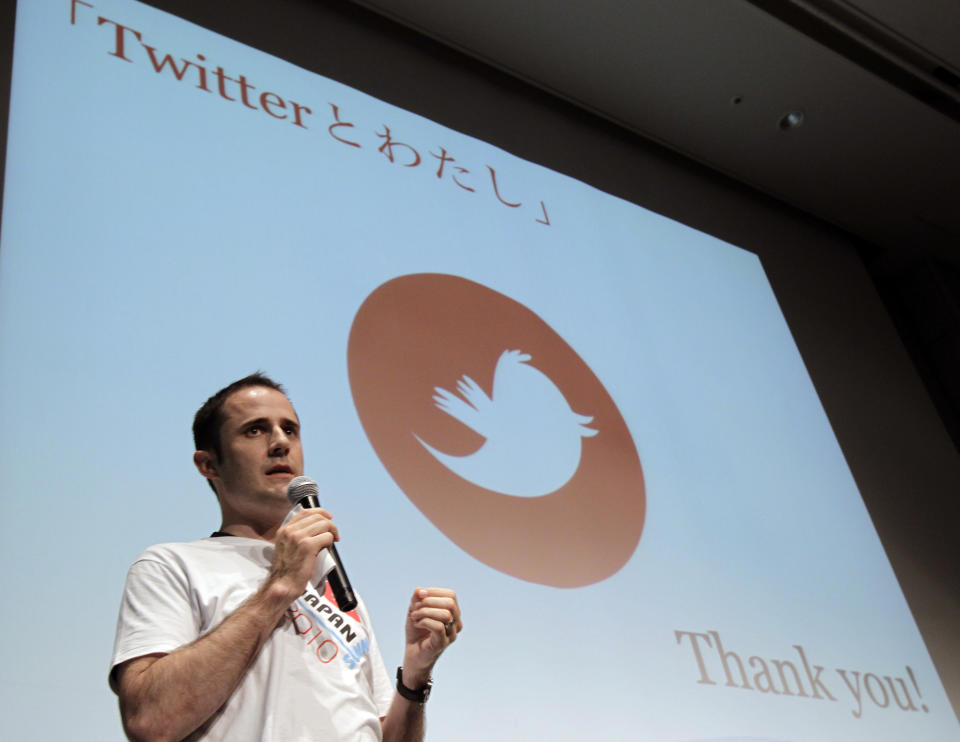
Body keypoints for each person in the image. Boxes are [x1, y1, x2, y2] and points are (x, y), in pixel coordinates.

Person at [109, 373, 462, 742]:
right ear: (208, 464)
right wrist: (279, 586)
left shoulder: (337, 587)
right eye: (255, 430)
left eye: (290, 430)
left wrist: (415, 676)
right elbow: (149, 722)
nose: (280, 443)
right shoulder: (171, 566)